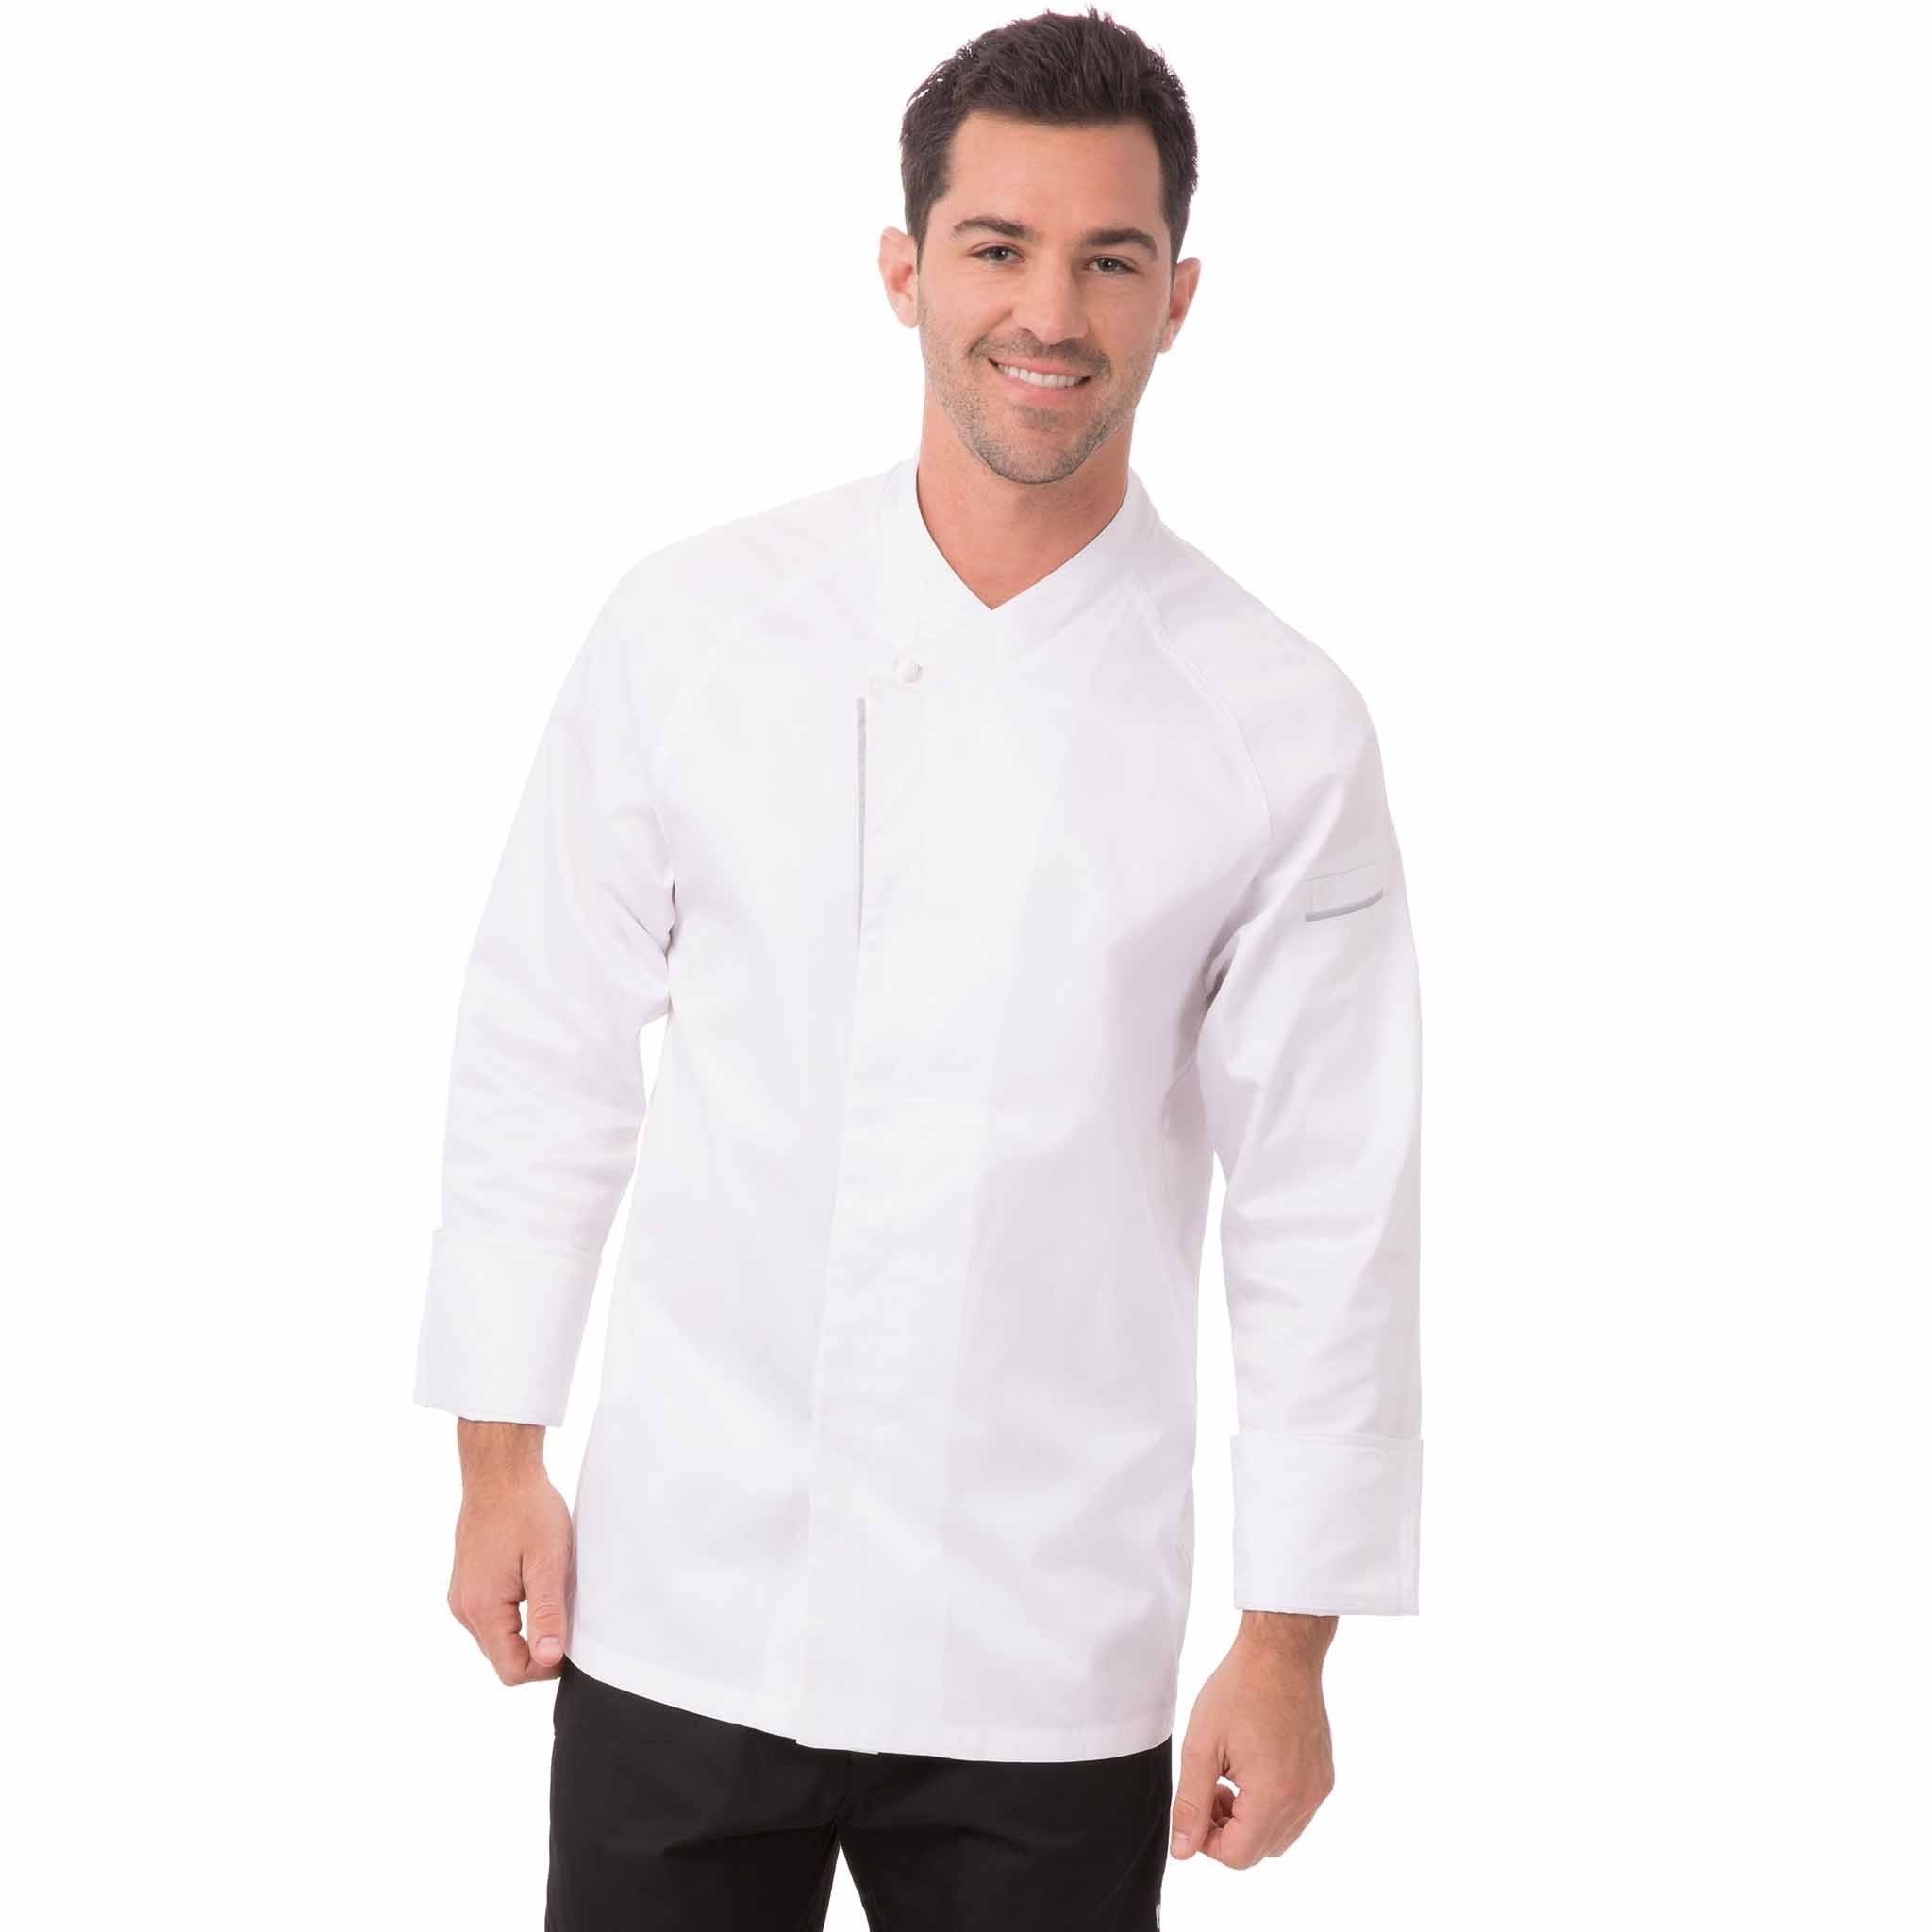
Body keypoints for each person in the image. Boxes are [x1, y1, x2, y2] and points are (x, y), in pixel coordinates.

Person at [414, 8, 1423, 1926]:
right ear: (902, 270)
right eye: (996, 247)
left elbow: (1327, 1203)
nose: (1048, 311)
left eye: (1108, 259)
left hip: (1043, 1643)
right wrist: (497, 1456)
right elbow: (543, 1040)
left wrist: (1288, 1641)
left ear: (1178, 298)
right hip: (683, 1594)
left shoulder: (1277, 725)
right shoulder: (695, 626)